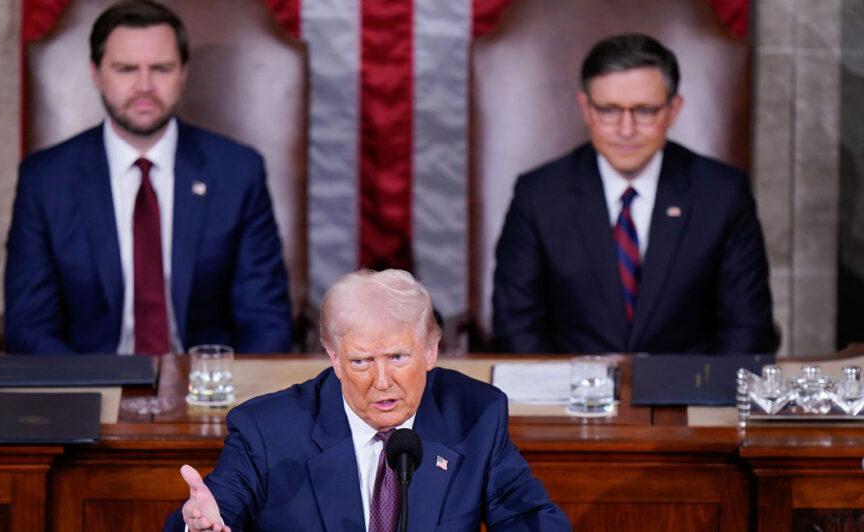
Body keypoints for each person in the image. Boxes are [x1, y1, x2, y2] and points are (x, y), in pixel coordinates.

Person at [164, 269, 571, 532]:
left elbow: (529, 518)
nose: (382, 381)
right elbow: (213, 513)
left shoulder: (476, 414)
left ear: (431, 350)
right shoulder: (267, 431)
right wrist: (197, 528)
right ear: (334, 358)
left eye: (398, 357)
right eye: (361, 361)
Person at [4, 0, 291, 355]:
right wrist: (87, 392)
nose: (144, 85)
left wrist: (231, 397)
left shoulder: (237, 172)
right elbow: (28, 325)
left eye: (161, 68)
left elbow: (266, 319)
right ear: (96, 74)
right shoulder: (45, 180)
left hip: (208, 392)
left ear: (183, 73)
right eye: (125, 69)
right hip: (90, 392)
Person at [491, 33, 776, 355]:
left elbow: (747, 326)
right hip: (572, 395)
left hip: (689, 394)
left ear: (673, 110)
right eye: (609, 110)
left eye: (644, 111)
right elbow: (516, 326)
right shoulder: (538, 195)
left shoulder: (723, 193)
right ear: (586, 108)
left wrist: (712, 400)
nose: (626, 130)